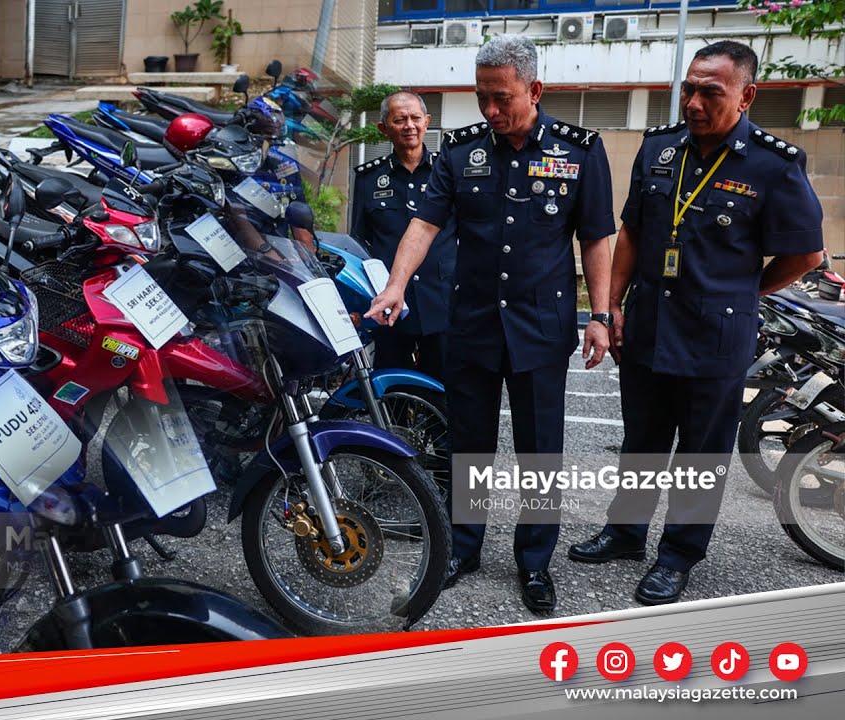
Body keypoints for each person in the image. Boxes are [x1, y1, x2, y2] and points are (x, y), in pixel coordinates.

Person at [567, 41, 824, 605]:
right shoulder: (659, 149)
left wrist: (748, 289)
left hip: (716, 336)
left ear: (746, 96)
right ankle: (625, 532)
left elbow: (806, 254)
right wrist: (609, 309)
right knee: (642, 441)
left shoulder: (774, 164)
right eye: (689, 88)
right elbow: (631, 232)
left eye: (712, 91)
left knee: (701, 452)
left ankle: (679, 555)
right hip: (650, 326)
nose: (694, 101)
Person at [365, 34, 614, 613]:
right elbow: (424, 224)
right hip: (471, 322)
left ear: (536, 89)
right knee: (470, 445)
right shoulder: (462, 150)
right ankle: (464, 546)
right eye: (482, 97)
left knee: (539, 450)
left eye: (502, 98)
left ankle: (534, 562)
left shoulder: (580, 149)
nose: (491, 111)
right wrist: (396, 285)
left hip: (541, 325)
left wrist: (600, 315)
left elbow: (596, 236)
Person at [350, 91, 456, 381]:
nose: (409, 125)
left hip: (442, 301)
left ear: (427, 122)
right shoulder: (368, 179)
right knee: (392, 387)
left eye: (415, 118)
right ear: (384, 128)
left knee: (444, 389)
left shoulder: (447, 174)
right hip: (392, 305)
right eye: (400, 120)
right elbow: (360, 242)